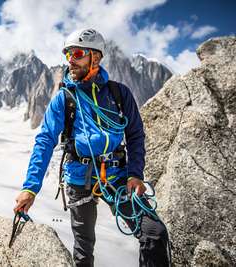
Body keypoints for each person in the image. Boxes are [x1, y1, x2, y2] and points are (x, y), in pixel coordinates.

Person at [14, 28, 170, 267]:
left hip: (118, 175)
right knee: (84, 251)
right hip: (80, 177)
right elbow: (45, 141)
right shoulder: (65, 98)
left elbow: (136, 134)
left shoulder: (119, 93)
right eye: (68, 54)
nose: (70, 60)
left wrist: (136, 173)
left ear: (95, 57)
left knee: (154, 233)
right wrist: (30, 188)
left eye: (77, 53)